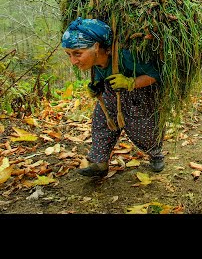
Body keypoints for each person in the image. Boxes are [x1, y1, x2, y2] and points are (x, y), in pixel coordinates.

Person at [61, 17, 165, 178]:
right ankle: (100, 163)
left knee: (144, 129)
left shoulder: (127, 56)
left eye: (77, 53)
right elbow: (102, 75)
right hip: (111, 93)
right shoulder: (95, 61)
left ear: (96, 47)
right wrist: (97, 86)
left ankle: (156, 155)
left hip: (140, 94)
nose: (73, 61)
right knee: (101, 122)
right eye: (69, 55)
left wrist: (131, 82)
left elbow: (156, 74)